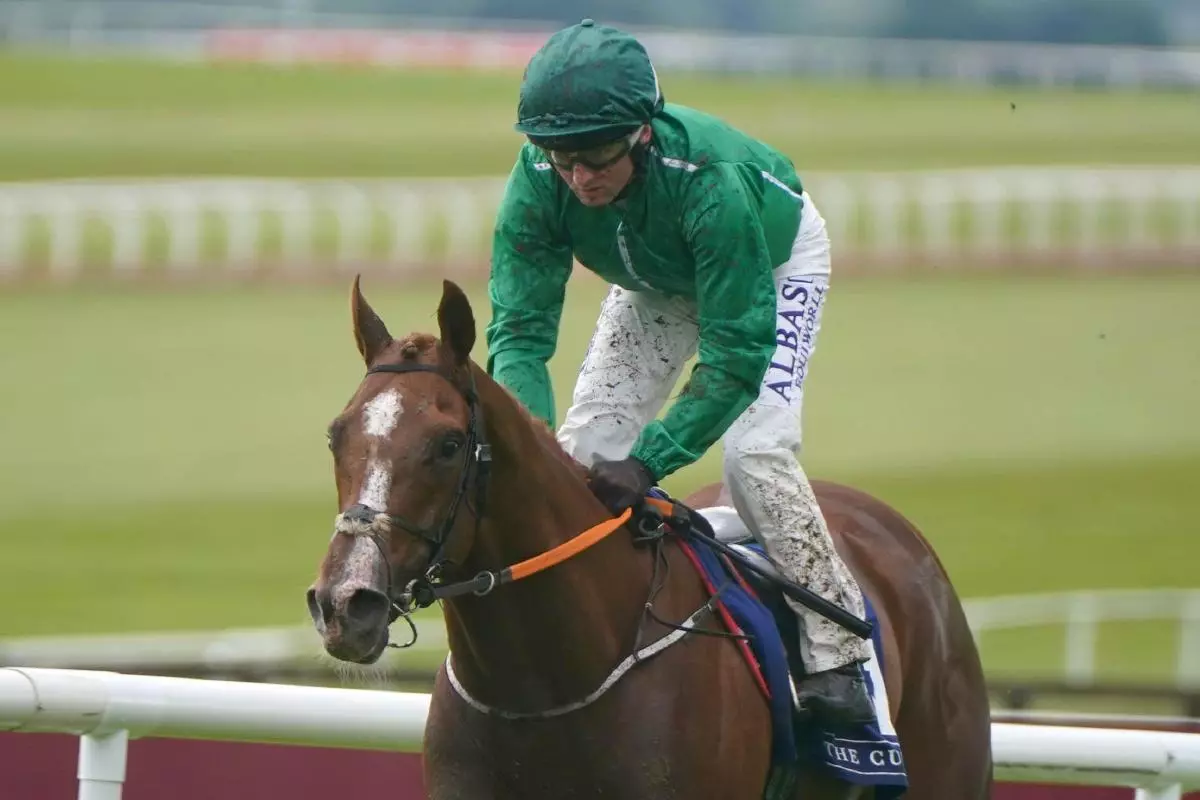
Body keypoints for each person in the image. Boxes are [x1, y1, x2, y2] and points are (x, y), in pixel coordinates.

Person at [484, 18, 876, 729]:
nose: (579, 178)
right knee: (582, 455)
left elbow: (733, 358)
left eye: (597, 157)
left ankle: (839, 649)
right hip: (658, 280)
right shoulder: (540, 177)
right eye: (560, 157)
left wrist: (655, 461)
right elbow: (519, 330)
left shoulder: (711, 186)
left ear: (642, 132)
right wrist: (528, 435)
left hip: (771, 264)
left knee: (755, 455)